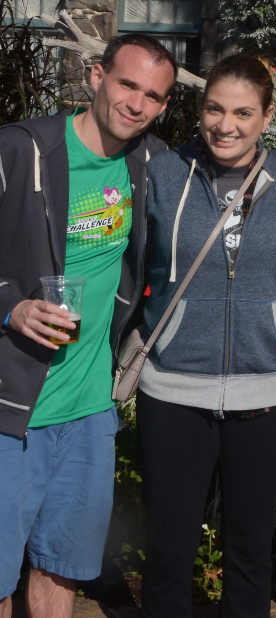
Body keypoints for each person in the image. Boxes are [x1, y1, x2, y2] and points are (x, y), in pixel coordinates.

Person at [135, 54, 276, 618]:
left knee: (250, 551)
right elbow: (126, 266)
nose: (226, 125)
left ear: (267, 117)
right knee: (168, 551)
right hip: (173, 388)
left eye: (243, 112)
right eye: (214, 109)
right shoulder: (163, 173)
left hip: (266, 390)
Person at [0, 35, 176, 618]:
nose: (136, 104)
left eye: (153, 96)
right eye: (127, 84)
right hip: (11, 407)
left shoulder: (148, 162)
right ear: (96, 76)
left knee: (62, 567)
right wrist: (11, 308)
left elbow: (231, 154)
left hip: (89, 410)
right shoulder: (20, 148)